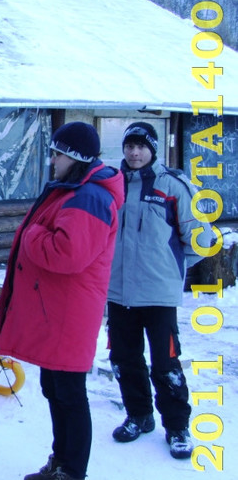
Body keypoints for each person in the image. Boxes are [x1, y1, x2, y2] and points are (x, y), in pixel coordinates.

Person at [0, 122, 124, 480]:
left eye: (57, 154)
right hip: (59, 311)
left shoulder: (90, 197)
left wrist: (32, 232)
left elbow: (67, 254)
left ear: (75, 157)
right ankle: (60, 462)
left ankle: (72, 471)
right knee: (55, 389)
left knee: (69, 394)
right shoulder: (73, 189)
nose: (52, 161)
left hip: (70, 315)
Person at [107, 122, 209, 459]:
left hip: (158, 295)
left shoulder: (173, 185)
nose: (134, 153)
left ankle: (178, 426)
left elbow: (200, 240)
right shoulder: (112, 185)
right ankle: (139, 415)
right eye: (129, 146)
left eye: (141, 146)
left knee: (165, 363)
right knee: (124, 359)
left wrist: (170, 267)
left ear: (153, 149)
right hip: (118, 292)